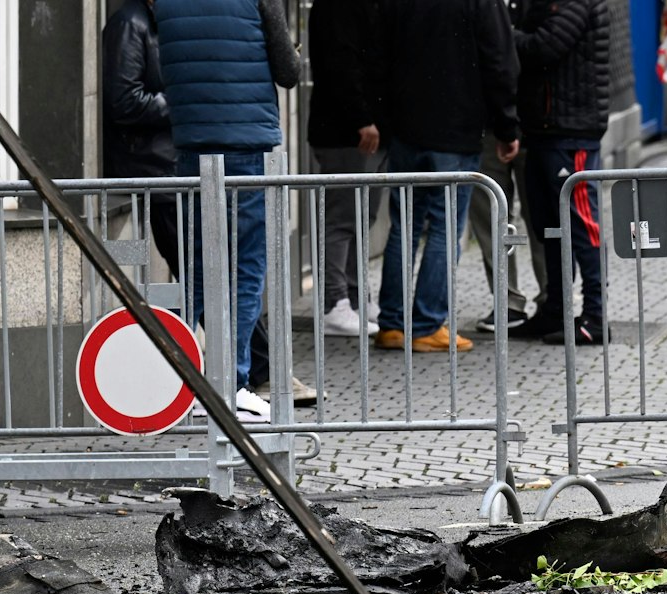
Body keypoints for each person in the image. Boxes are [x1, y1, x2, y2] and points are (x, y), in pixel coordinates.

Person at [155, 0, 301, 416]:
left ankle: (172, 377)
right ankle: (230, 383)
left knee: (199, 267)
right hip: (245, 142)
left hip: (192, 145)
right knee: (247, 267)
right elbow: (288, 73)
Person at [374, 0, 521, 353]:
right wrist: (507, 126)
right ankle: (427, 324)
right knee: (444, 226)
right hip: (456, 128)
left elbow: (377, 53)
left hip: (407, 128)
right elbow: (499, 61)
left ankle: (392, 323)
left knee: (403, 226)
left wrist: (385, 117)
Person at [507, 0, 611, 347]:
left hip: (571, 132)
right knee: (550, 226)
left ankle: (596, 316)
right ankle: (556, 309)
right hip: (545, 129)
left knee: (582, 224)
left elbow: (544, 47)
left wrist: (504, 33)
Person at [306, 0, 385, 338]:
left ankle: (353, 297)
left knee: (358, 216)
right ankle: (334, 302)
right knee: (343, 217)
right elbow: (341, 64)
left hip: (354, 129)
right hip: (347, 132)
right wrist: (362, 118)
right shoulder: (337, 8)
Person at [101, 0, 180, 276]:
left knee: (202, 276)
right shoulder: (130, 23)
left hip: (169, 168)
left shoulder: (158, 20)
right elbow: (123, 101)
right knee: (199, 275)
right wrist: (183, 104)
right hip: (153, 168)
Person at [468, 131, 544, 332]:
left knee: (541, 217)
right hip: (490, 127)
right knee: (491, 217)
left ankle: (550, 298)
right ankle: (509, 302)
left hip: (535, 127)